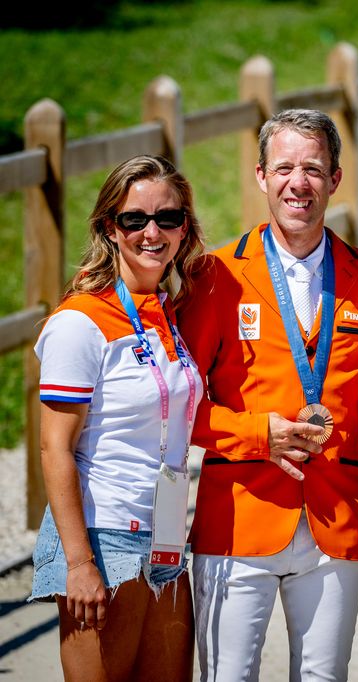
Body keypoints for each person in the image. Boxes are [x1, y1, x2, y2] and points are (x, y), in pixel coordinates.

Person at [177, 109, 358, 681]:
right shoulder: (213, 276)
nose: (300, 182)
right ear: (261, 176)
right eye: (286, 167)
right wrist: (256, 433)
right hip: (239, 517)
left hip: (336, 520)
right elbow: (173, 408)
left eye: (314, 168)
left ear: (336, 179)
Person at [30, 155, 205, 680]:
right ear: (110, 228)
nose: (152, 233)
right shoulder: (80, 322)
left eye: (168, 218)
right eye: (135, 220)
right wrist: (80, 565)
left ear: (184, 228)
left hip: (167, 534)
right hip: (104, 538)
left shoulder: (167, 312)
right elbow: (53, 449)